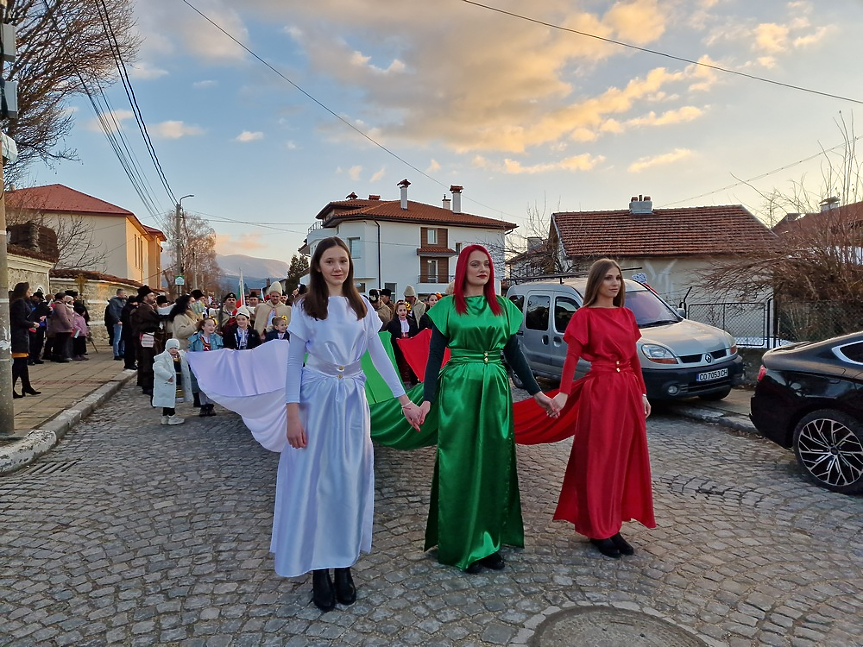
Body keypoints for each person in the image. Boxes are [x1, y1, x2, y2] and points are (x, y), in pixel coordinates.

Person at [277, 236, 421, 612]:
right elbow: (294, 362)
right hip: (315, 399)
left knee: (348, 480)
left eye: (342, 260)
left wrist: (404, 401)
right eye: (329, 261)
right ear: (318, 267)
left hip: (352, 402)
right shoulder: (305, 306)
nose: (337, 267)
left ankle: (343, 564)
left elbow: (380, 357)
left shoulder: (362, 308)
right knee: (317, 481)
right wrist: (292, 411)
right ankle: (319, 568)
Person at [416, 245, 557, 573]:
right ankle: (460, 541)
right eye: (475, 264)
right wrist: (427, 399)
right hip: (459, 391)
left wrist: (536, 393)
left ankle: (489, 541)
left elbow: (515, 355)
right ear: (463, 269)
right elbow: (435, 356)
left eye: (487, 265)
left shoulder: (504, 308)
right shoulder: (448, 308)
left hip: (495, 389)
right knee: (460, 465)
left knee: (494, 464)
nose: (483, 269)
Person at [550, 258, 655, 559]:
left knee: (623, 460)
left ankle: (612, 524)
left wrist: (644, 394)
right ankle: (598, 527)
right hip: (601, 391)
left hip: (628, 392)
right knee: (599, 459)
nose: (614, 283)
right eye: (608, 278)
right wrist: (563, 394)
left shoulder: (626, 314)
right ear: (596, 282)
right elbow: (571, 359)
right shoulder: (584, 316)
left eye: (618, 278)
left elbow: (634, 359)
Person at [187, 317, 224, 417]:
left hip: (212, 366)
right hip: (200, 366)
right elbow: (191, 350)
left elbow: (220, 351)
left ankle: (210, 405)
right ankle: (203, 405)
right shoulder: (195, 339)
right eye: (209, 325)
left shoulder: (218, 338)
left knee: (211, 386)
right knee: (201, 386)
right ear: (203, 327)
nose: (212, 327)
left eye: (213, 325)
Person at [10, 283, 40, 398]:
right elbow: (19, 320)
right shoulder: (19, 302)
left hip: (21, 335)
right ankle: (10, 389)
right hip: (18, 337)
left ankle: (26, 386)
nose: (30, 292)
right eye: (28, 290)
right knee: (18, 364)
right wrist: (32, 324)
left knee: (23, 364)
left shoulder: (21, 301)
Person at [130, 286, 162, 396]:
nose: (153, 297)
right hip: (145, 337)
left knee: (145, 360)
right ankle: (147, 385)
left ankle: (144, 382)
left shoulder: (148, 307)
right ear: (145, 297)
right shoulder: (144, 308)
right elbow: (155, 319)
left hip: (147, 337)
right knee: (147, 360)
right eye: (151, 295)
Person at [152, 338, 192, 425]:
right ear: (167, 348)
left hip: (175, 383)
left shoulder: (179, 356)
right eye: (171, 348)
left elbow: (186, 355)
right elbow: (157, 368)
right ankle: (171, 416)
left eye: (175, 348)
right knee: (169, 401)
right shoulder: (163, 358)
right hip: (167, 383)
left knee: (169, 400)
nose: (174, 350)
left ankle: (165, 417)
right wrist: (168, 376)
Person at [385, 300, 419, 385]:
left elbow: (416, 334)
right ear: (396, 312)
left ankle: (413, 382)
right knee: (400, 364)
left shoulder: (412, 322)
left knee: (410, 364)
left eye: (404, 310)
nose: (403, 312)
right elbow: (388, 335)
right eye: (400, 310)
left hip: (409, 348)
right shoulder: (392, 324)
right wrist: (396, 340)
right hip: (398, 348)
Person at [47, 292, 74, 363]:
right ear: (62, 297)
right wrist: (68, 325)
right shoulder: (59, 305)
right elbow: (62, 316)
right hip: (62, 327)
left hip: (60, 327)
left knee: (59, 342)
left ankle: (56, 355)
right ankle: (59, 356)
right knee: (61, 342)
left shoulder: (57, 304)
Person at [28, 291, 50, 365]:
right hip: (33, 325)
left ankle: (36, 357)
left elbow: (48, 313)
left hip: (41, 325)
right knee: (32, 342)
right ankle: (31, 358)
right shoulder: (31, 304)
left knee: (39, 342)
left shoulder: (42, 305)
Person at [106, 289, 127, 360]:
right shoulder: (114, 301)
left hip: (124, 321)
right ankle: (116, 354)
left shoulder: (124, 301)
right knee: (117, 338)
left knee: (123, 338)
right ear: (119, 294)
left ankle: (122, 352)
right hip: (118, 322)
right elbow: (113, 311)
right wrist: (117, 320)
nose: (125, 295)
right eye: (123, 293)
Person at [120, 295, 139, 370]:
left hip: (129, 332)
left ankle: (131, 363)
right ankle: (129, 364)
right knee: (130, 349)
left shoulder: (128, 308)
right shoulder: (128, 309)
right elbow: (128, 321)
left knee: (131, 348)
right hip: (129, 332)